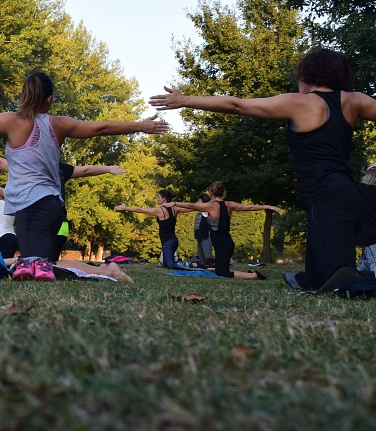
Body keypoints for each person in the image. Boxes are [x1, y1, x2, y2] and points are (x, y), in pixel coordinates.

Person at [150, 47, 376, 291]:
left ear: (306, 77)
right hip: (345, 196)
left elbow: (237, 105)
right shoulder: (355, 100)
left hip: (327, 200)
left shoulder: (300, 103)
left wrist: (185, 100)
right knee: (316, 281)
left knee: (341, 283)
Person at [0, 74, 167, 281]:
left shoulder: (13, 122)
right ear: (48, 99)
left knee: (40, 265)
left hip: (33, 207)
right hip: (51, 206)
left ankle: (106, 271)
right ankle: (102, 271)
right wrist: (140, 126)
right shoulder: (59, 124)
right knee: (35, 264)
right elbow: (101, 128)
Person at [0, 151, 127, 260]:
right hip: (61, 221)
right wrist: (108, 168)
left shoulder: (28, 166)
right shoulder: (61, 168)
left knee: (39, 260)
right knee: (50, 260)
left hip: (38, 220)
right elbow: (86, 170)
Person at [165, 181, 282, 280]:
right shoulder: (229, 204)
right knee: (219, 271)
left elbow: (191, 205)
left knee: (222, 273)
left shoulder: (210, 206)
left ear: (210, 193)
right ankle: (252, 274)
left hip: (222, 245)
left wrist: (174, 203)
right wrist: (268, 206)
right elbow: (250, 207)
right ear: (223, 192)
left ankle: (254, 275)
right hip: (225, 243)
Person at [115, 190, 191, 268]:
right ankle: (182, 263)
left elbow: (141, 210)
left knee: (170, 265)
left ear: (164, 199)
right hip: (173, 241)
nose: (157, 199)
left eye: (158, 197)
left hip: (168, 242)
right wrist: (200, 206)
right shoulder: (175, 209)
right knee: (165, 264)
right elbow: (190, 208)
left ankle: (192, 264)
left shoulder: (160, 210)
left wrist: (125, 208)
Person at [193, 193, 213, 262]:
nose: (198, 203)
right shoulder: (199, 213)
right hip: (199, 236)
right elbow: (197, 225)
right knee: (201, 257)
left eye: (199, 201)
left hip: (206, 236)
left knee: (207, 256)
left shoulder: (210, 212)